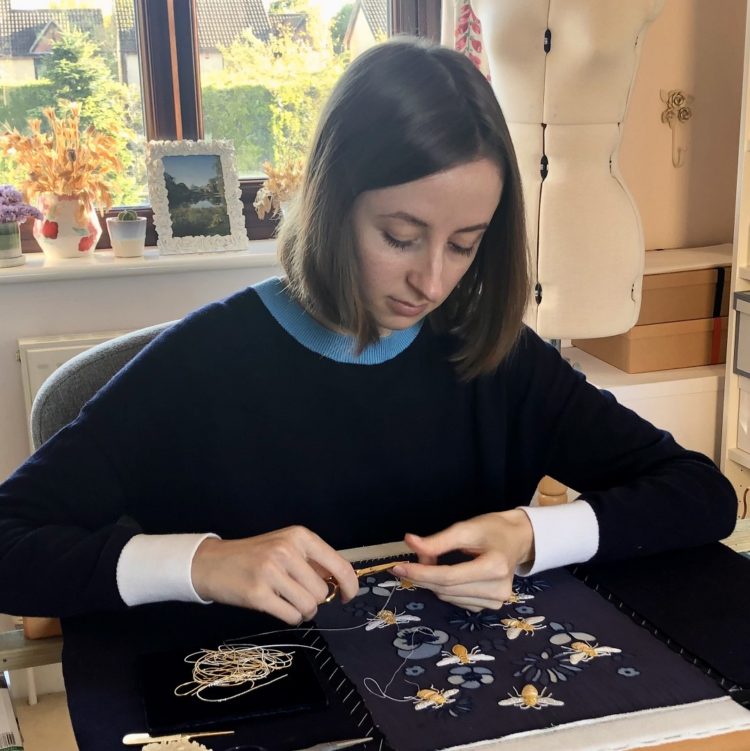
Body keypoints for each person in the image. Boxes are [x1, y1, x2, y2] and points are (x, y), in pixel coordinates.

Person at [0, 38, 737, 628]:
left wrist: (527, 536)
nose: (433, 281)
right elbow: (11, 540)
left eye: (465, 243)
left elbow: (702, 494)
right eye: (400, 235)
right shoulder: (201, 366)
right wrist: (202, 562)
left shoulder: (496, 354)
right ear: (332, 204)